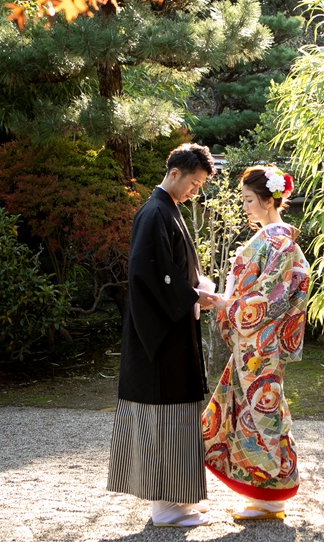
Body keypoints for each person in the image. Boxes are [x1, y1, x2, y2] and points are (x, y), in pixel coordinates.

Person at [106, 143, 220, 528]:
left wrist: (195, 289)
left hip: (172, 332)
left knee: (176, 414)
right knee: (164, 418)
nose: (195, 191)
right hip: (159, 338)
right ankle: (166, 507)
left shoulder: (166, 210)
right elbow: (149, 275)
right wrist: (192, 296)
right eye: (194, 182)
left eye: (200, 185)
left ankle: (178, 500)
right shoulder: (155, 212)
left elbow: (174, 268)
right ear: (175, 173)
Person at [202, 165, 310, 520]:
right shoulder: (276, 239)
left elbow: (272, 297)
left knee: (259, 414)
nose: (245, 206)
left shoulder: (275, 240)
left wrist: (227, 305)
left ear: (267, 200)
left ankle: (271, 496)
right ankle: (265, 493)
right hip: (257, 342)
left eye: (249, 200)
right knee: (254, 411)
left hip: (259, 341)